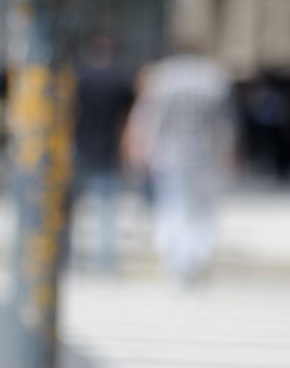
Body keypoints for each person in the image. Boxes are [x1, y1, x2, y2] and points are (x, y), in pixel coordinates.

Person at [125, 42, 235, 284]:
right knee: (201, 210)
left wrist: (140, 150)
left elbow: (147, 118)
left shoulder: (162, 77)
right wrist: (227, 153)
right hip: (204, 154)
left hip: (169, 154)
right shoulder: (212, 78)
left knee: (172, 206)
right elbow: (225, 123)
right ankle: (195, 258)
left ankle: (175, 261)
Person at [73, 34, 135, 271]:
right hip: (109, 148)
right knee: (107, 209)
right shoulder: (119, 79)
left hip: (80, 146)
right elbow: (126, 118)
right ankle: (106, 261)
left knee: (70, 207)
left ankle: (68, 257)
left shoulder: (80, 77)